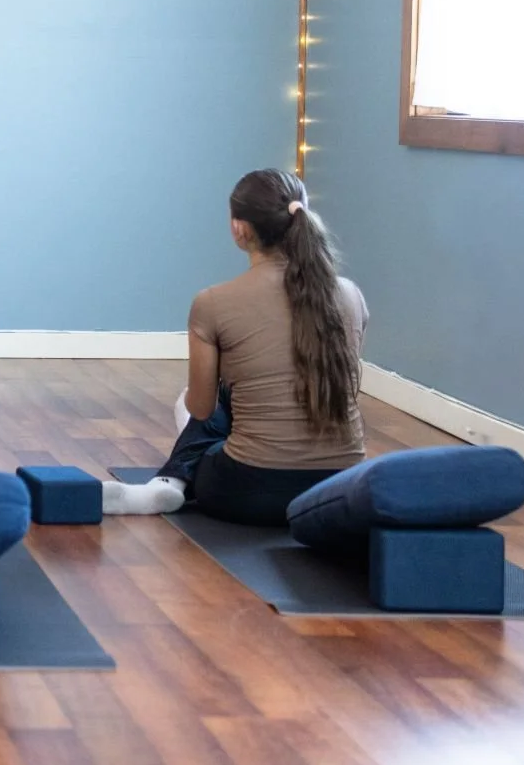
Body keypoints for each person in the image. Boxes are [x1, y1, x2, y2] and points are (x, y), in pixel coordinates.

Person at [104, 168, 368, 525]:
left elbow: (199, 409)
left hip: (249, 491)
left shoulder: (213, 302)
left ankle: (170, 481)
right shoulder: (351, 294)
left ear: (239, 229)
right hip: (340, 490)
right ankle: (167, 482)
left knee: (213, 401)